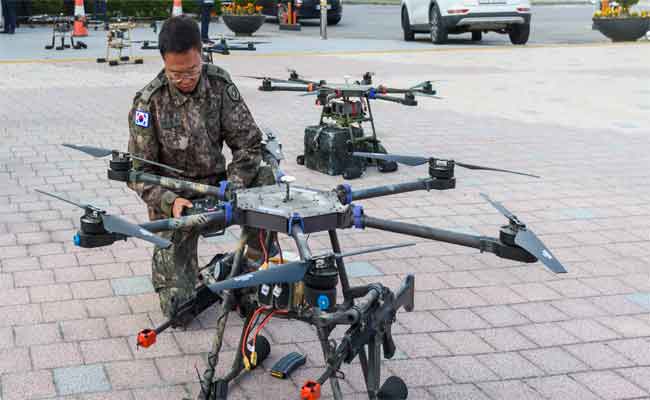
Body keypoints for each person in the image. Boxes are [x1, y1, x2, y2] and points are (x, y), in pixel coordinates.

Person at [127, 16, 274, 323]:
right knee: (179, 312)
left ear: (201, 54)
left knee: (265, 178)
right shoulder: (149, 102)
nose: (186, 79)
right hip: (178, 202)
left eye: (192, 70)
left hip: (220, 189)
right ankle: (202, 274)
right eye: (176, 74)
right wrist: (170, 201)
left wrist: (235, 183)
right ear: (164, 63)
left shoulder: (219, 84)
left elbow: (249, 144)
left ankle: (250, 273)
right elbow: (138, 172)